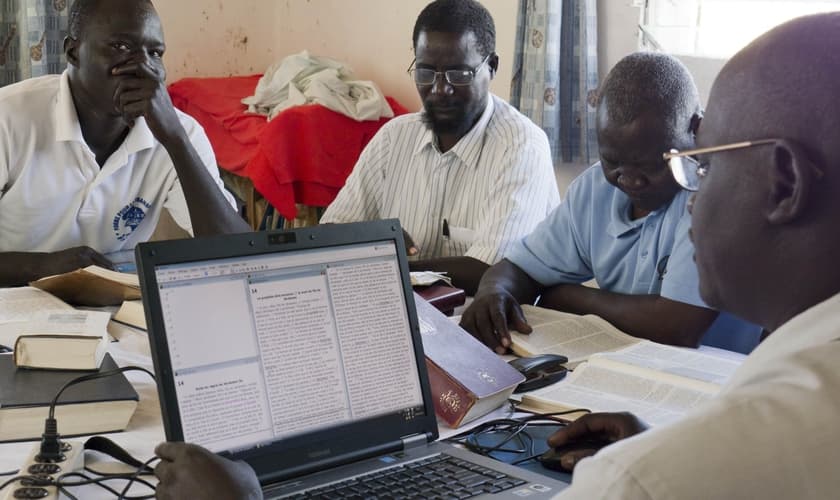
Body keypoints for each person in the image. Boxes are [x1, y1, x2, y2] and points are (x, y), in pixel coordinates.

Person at [153, 13, 840, 499]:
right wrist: (654, 439)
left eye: (705, 164)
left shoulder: (663, 476)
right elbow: (517, 269)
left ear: (783, 183)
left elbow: (679, 416)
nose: (693, 195)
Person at [460, 52, 759, 353]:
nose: (629, 180)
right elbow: (519, 268)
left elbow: (676, 326)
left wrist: (570, 298)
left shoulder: (712, 193)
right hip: (625, 362)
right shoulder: (595, 190)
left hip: (717, 369)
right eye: (612, 161)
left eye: (650, 165)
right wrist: (494, 291)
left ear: (697, 129)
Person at [0, 0, 251, 287]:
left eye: (155, 53)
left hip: (111, 304)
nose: (143, 68)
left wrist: (175, 141)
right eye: (120, 47)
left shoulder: (180, 133)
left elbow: (240, 259)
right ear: (73, 52)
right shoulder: (9, 117)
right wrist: (46, 267)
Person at [320, 0, 559, 294]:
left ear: (492, 67)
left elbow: (492, 272)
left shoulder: (522, 147)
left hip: (486, 315)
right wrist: (372, 238)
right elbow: (330, 234)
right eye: (425, 73)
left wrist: (389, 261)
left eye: (459, 75)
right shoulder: (393, 138)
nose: (440, 89)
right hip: (403, 308)